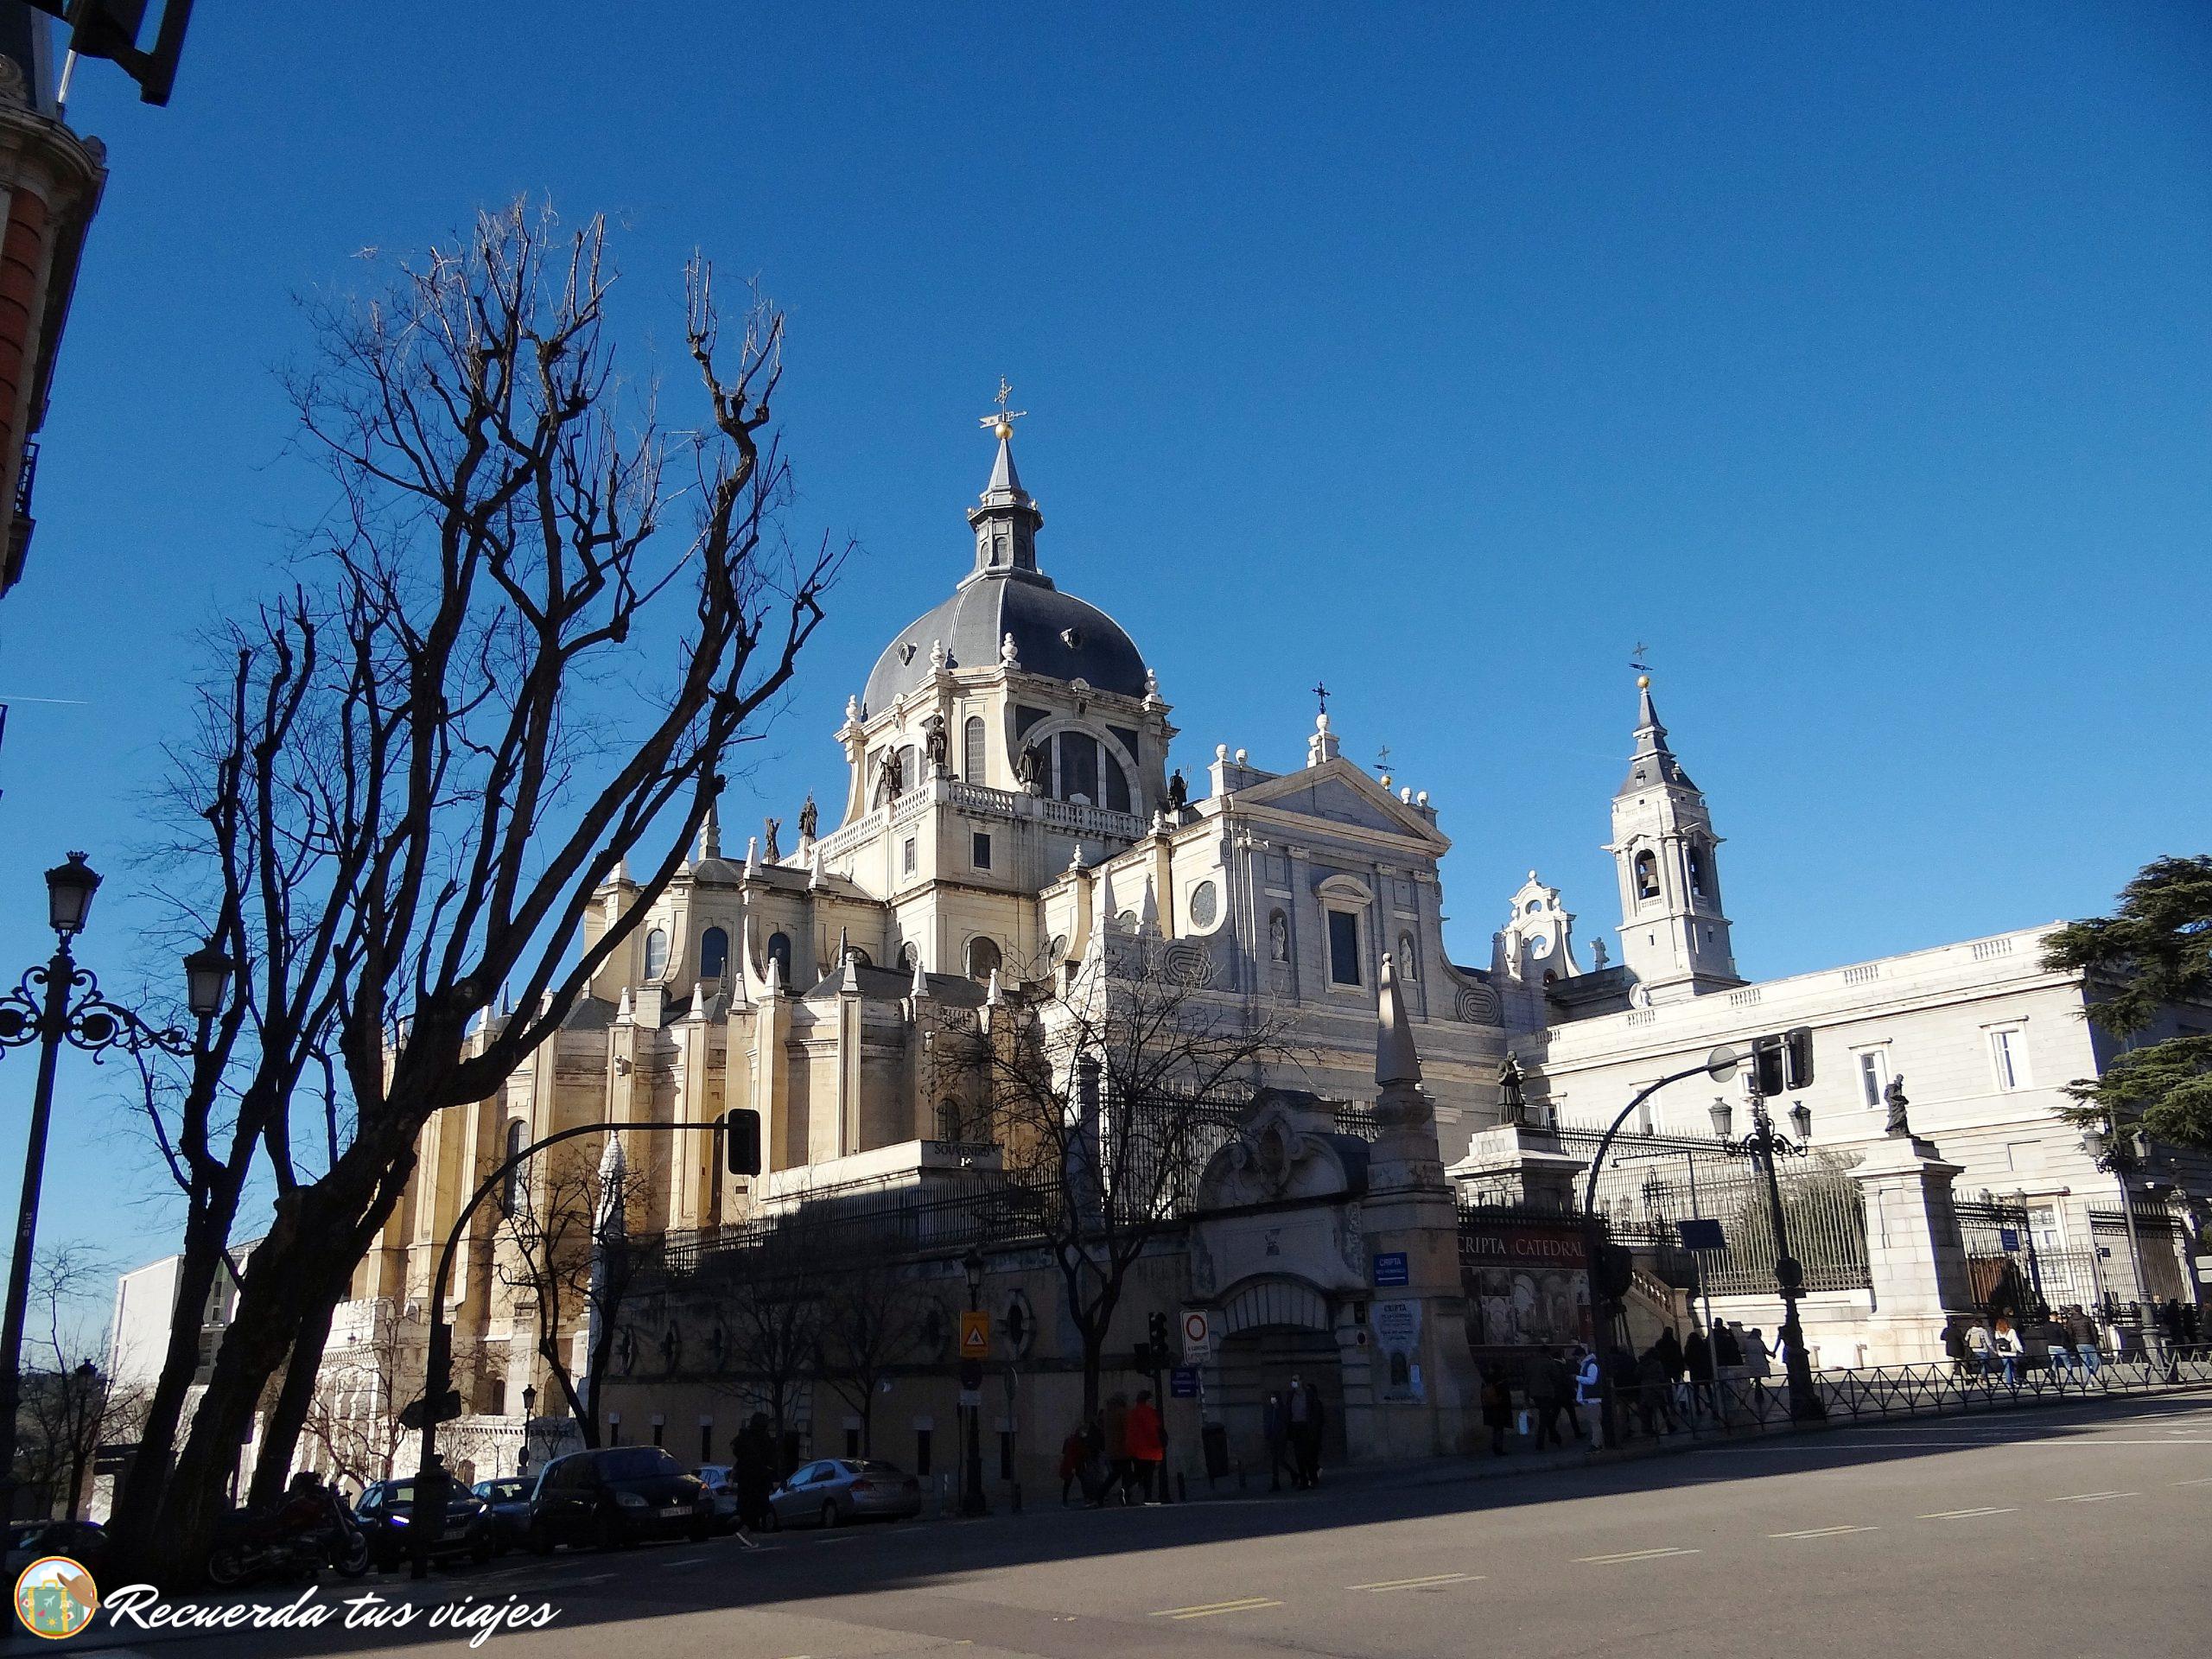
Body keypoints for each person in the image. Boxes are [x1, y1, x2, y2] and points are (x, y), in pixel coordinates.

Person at [732, 1413, 777, 1532]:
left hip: (747, 1478)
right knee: (757, 1507)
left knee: (749, 1507)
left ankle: (746, 1525)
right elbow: (769, 1457)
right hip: (757, 1479)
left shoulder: (746, 1437)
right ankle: (747, 1529)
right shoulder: (760, 1439)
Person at [1125, 1389, 1166, 1504]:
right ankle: (1147, 1497)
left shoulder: (1133, 1412)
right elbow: (1152, 1431)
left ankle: (1126, 1489)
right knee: (1148, 1474)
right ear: (1147, 1400)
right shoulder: (1149, 1412)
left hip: (1135, 1449)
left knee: (1138, 1473)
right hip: (1148, 1449)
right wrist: (1159, 1446)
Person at [1287, 1376, 1325, 1488]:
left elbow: (1315, 1412)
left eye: (1296, 1380)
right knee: (1299, 1456)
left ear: (1301, 1381)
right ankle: (1304, 1481)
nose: (1294, 1382)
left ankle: (1313, 1479)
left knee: (1309, 1455)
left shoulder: (1308, 1395)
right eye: (1292, 1380)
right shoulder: (1291, 1395)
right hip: (1296, 1427)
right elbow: (1288, 1411)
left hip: (1306, 1427)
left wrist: (1313, 1427)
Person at [1529, 1350, 1570, 1450]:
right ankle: (1546, 1440)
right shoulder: (1549, 1363)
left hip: (1536, 1394)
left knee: (1545, 1417)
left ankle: (1553, 1437)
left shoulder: (1532, 1364)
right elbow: (1556, 1378)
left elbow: (1527, 1380)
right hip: (1547, 1394)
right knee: (1545, 1418)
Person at [1099, 1393, 1131, 1507]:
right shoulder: (1122, 1413)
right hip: (1123, 1449)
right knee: (1127, 1474)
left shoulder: (1107, 1414)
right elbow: (1127, 1430)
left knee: (1115, 1474)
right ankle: (1125, 1495)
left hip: (1111, 1450)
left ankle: (1101, 1494)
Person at [1262, 1392, 1296, 1492]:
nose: (1272, 1399)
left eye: (1274, 1397)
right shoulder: (1270, 1410)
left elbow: (1285, 1423)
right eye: (1271, 1397)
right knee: (1275, 1461)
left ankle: (1291, 1475)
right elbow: (1268, 1422)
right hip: (1272, 1437)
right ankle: (1277, 1482)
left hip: (1281, 1438)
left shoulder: (1282, 1410)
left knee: (1279, 1460)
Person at [1573, 1344, 1604, 1450]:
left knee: (1594, 1422)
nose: (1577, 1360)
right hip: (1590, 1398)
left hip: (1592, 1398)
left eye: (1577, 1357)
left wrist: (1577, 1378)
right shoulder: (1589, 1365)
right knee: (1594, 1422)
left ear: (1581, 1356)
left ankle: (1596, 1444)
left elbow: (1591, 1380)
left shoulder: (1590, 1365)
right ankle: (1597, 1442)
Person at [1479, 1370, 1514, 1457]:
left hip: (1490, 1408)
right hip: (1500, 1408)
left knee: (1495, 1428)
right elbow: (1505, 1396)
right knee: (1499, 1429)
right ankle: (1499, 1447)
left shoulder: (1487, 1382)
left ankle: (1495, 1445)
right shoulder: (1502, 1382)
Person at [1685, 1325, 1715, 1421]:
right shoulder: (1702, 1346)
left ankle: (1697, 1408)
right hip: (1703, 1370)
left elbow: (1686, 1359)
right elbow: (1707, 1357)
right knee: (1708, 1388)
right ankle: (1713, 1405)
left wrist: (1691, 1366)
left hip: (1695, 1371)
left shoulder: (1688, 1347)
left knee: (1696, 1390)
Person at [1058, 1423, 1090, 1507]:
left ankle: (1087, 1498)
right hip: (1072, 1465)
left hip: (1078, 1464)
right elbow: (1069, 1455)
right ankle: (1065, 1501)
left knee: (1084, 1480)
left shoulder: (1082, 1441)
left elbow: (1083, 1453)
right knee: (1068, 1483)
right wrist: (1072, 1467)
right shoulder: (1073, 1441)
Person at [1992, 1316, 2023, 1385]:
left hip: (2002, 1352)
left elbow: (1998, 1342)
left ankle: (2009, 1383)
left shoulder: (1997, 1332)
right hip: (2012, 1352)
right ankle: (2018, 1380)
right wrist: (2020, 1349)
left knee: (2007, 1368)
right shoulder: (2011, 1331)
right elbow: (2016, 1341)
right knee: (2016, 1367)